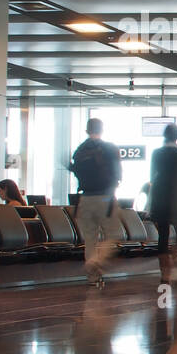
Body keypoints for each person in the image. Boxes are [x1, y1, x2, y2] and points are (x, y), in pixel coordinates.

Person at [69, 118, 122, 287]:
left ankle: (92, 278)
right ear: (102, 129)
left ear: (87, 130)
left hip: (85, 198)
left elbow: (76, 172)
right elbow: (118, 174)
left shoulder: (79, 151)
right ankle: (97, 261)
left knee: (90, 239)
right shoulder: (110, 148)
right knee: (113, 234)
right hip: (105, 197)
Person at [147, 123, 177, 285]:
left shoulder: (156, 153)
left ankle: (165, 275)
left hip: (161, 199)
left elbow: (152, 176)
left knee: (163, 238)